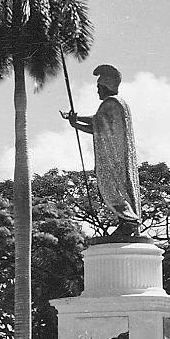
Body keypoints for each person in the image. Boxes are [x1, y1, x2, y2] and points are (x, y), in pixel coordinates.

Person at [61, 64, 141, 238]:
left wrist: (76, 121)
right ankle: (126, 219)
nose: (97, 91)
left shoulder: (111, 104)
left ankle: (128, 220)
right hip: (118, 157)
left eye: (99, 87)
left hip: (114, 159)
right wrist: (75, 121)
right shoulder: (119, 104)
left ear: (106, 87)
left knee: (111, 186)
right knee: (118, 187)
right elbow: (100, 124)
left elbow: (98, 124)